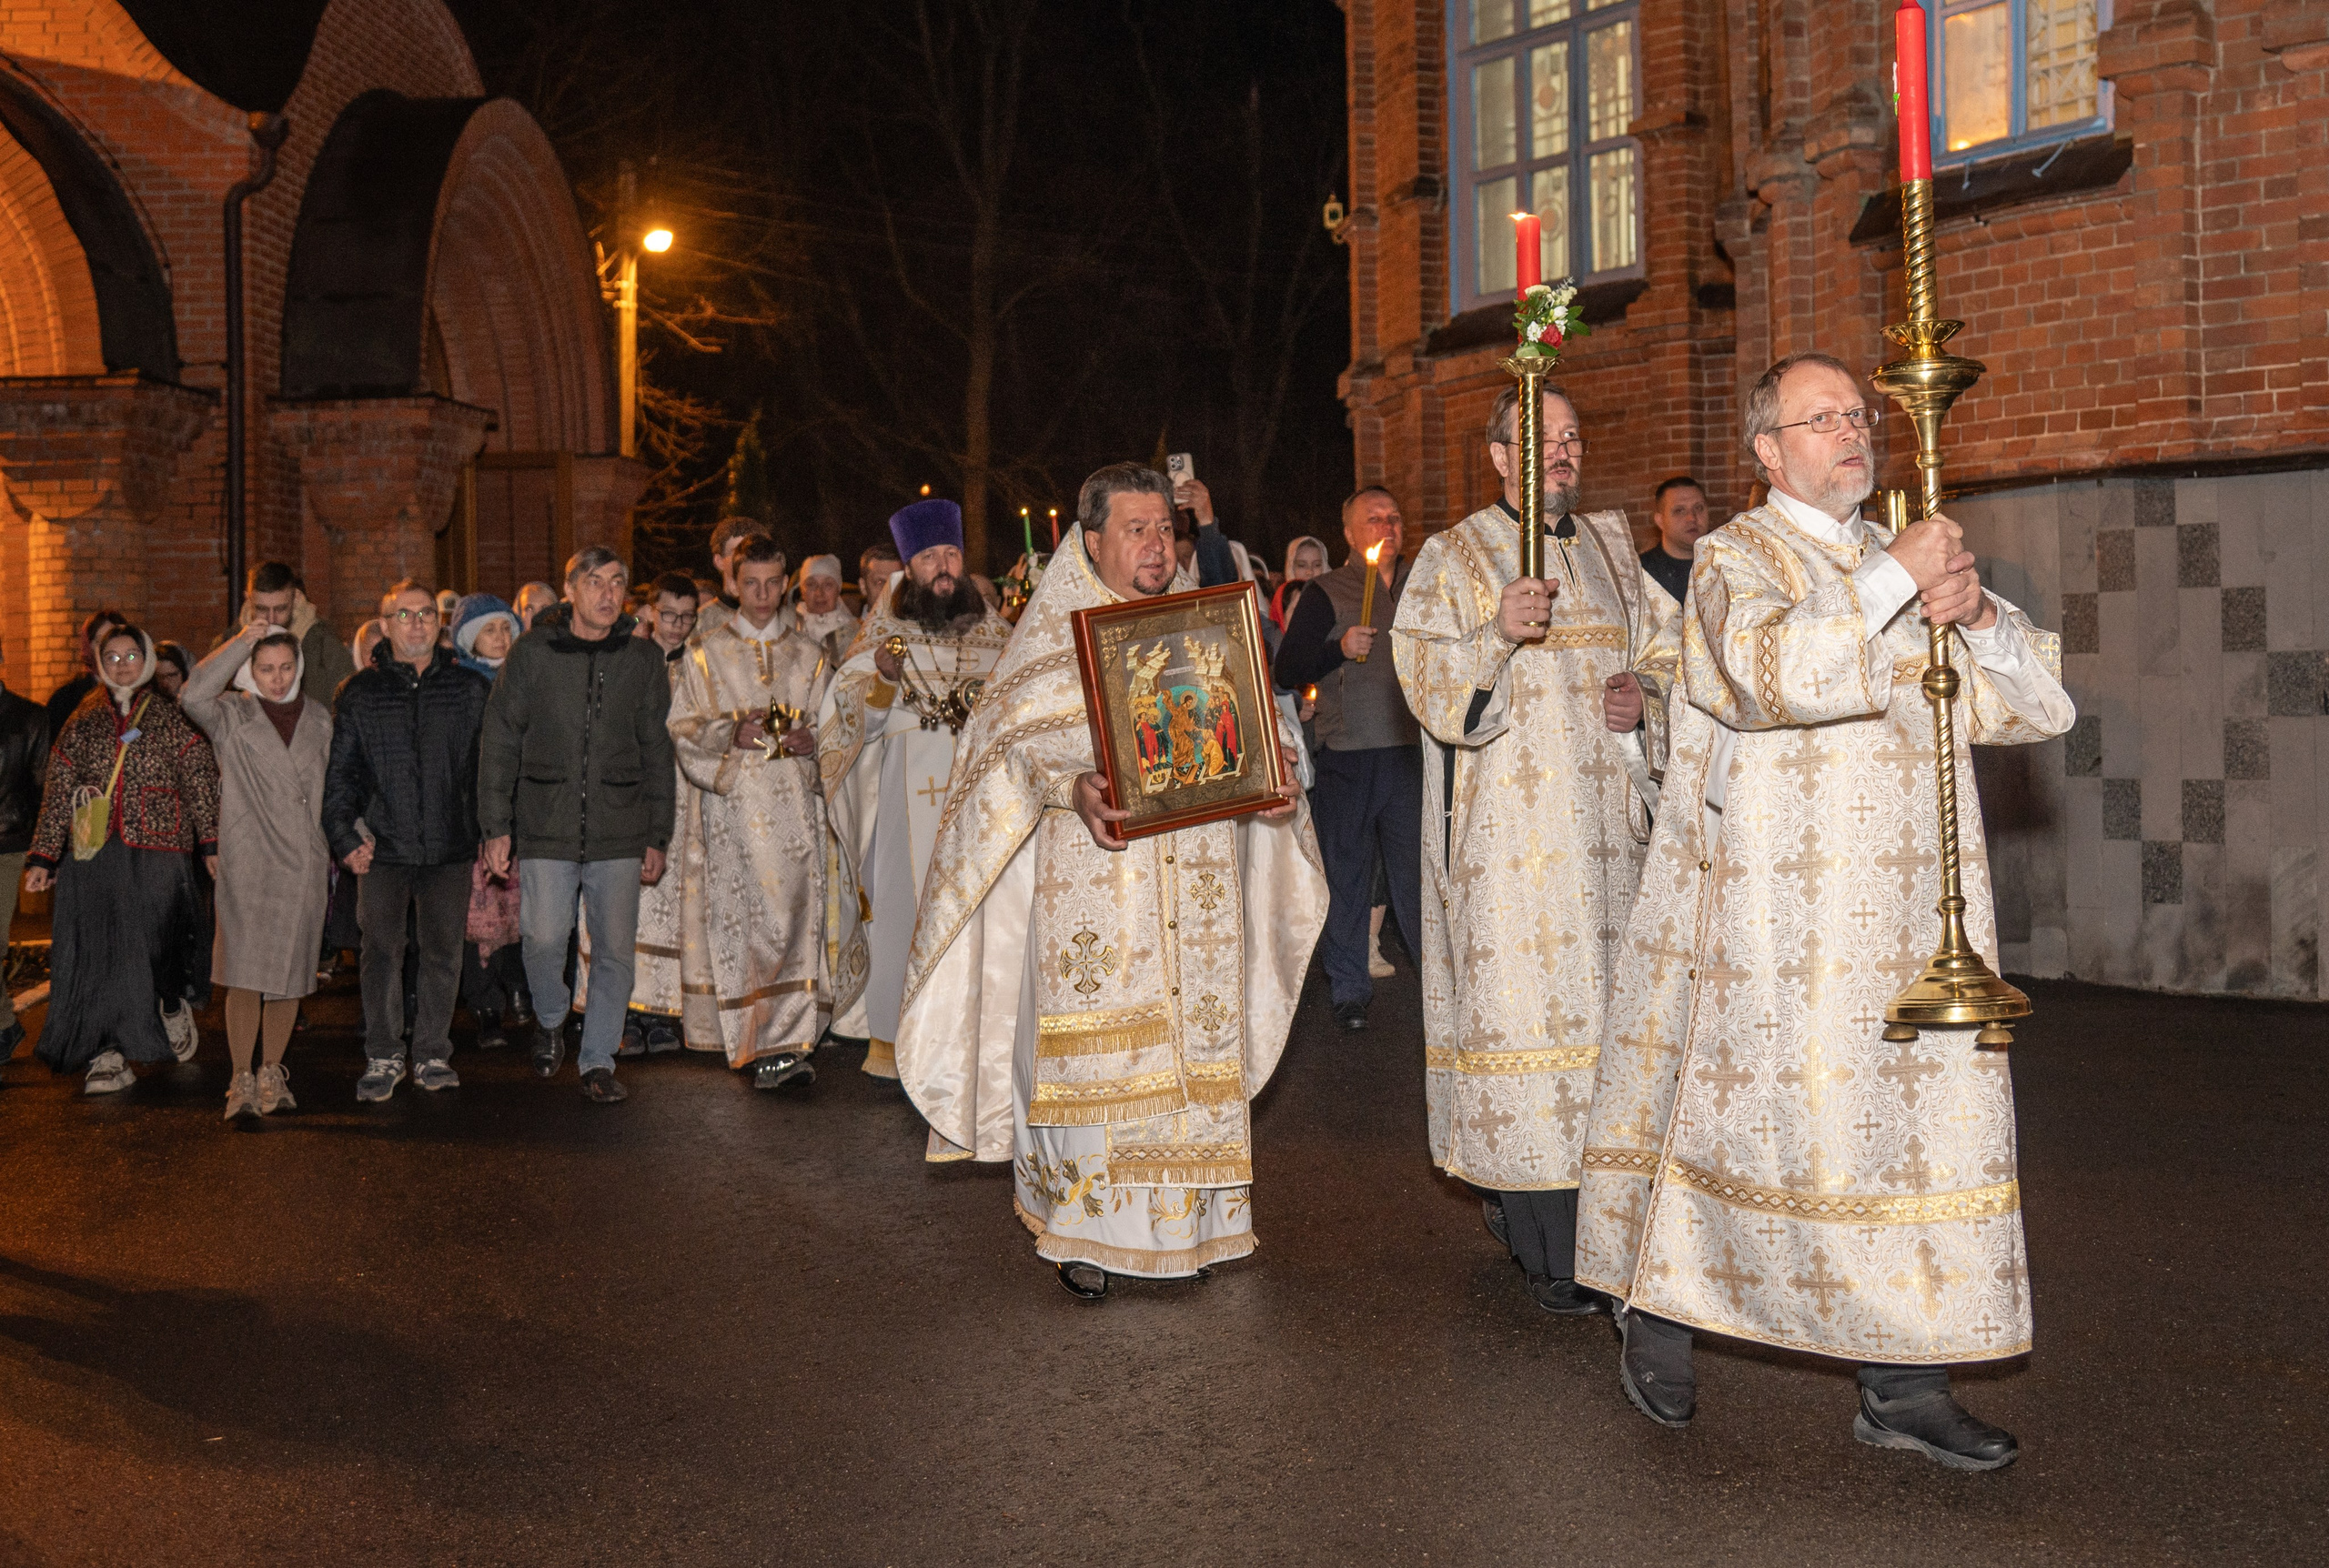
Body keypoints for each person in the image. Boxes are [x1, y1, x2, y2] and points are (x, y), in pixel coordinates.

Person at [1576, 351, 2074, 1469]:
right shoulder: (1730, 558)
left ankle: (1905, 1385)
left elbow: (2037, 704)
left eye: (1859, 416)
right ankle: (1661, 1308)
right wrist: (1897, 574)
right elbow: (1764, 676)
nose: (1852, 432)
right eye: (1820, 419)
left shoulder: (1897, 557)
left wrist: (1979, 607)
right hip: (1780, 923)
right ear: (1767, 450)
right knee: (1759, 1128)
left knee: (1915, 1139)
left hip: (1914, 916)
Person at [895, 463, 1327, 1298]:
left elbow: (1258, 737)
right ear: (1091, 542)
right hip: (1097, 888)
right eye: (1137, 530)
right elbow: (1007, 752)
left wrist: (1275, 788)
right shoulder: (1049, 641)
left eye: (1165, 529)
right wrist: (1070, 784)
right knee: (1102, 1057)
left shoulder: (1211, 630)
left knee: (1192, 1045)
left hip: (1199, 883)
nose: (1157, 545)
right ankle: (1084, 1233)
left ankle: (1196, 1229)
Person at [1389, 383, 1680, 1316]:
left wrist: (1646, 699)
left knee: (1610, 1048)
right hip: (1511, 856)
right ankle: (1546, 1245)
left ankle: (1609, 1233)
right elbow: (1428, 682)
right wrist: (1492, 638)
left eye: (1572, 436)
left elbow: (1668, 655)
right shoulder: (1454, 553)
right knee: (1529, 1040)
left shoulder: (1607, 545)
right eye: (1541, 438)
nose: (1562, 452)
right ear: (1498, 455)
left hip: (1611, 851)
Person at [818, 499, 1012, 1078]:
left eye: (951, 553)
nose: (944, 566)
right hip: (904, 798)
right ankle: (903, 1046)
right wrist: (880, 678)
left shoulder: (994, 632)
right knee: (905, 915)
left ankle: (975, 1041)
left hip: (978, 804)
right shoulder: (883, 635)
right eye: (929, 557)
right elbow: (839, 720)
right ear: (910, 567)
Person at [479, 548, 675, 1104]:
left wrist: (657, 832)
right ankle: (549, 1015)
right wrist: (496, 824)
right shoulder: (533, 654)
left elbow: (656, 749)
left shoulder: (641, 661)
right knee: (543, 936)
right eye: (595, 583)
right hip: (546, 821)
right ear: (570, 590)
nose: (608, 595)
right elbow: (500, 737)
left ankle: (597, 1060)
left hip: (619, 823)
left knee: (614, 951)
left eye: (618, 583)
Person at [664, 534, 836, 1089]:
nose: (762, 595)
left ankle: (790, 1040)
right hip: (735, 813)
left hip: (796, 815)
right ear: (734, 584)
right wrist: (728, 732)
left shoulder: (811, 656)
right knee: (745, 924)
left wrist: (818, 745)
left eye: (772, 583)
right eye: (751, 583)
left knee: (794, 919)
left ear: (784, 584)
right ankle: (754, 1041)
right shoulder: (704, 653)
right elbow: (683, 728)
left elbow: (835, 732)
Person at [25, 623, 217, 1094]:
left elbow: (200, 778)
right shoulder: (83, 721)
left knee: (160, 943)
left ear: (147, 660)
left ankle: (169, 1001)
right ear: (98, 663)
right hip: (94, 853)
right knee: (100, 953)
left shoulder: (173, 718)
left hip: (161, 848)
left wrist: (211, 842)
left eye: (131, 656)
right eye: (111, 657)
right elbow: (58, 789)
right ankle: (107, 1054)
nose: (122, 665)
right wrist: (44, 856)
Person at [324, 580, 493, 1103]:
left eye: (425, 614)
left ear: (438, 624)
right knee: (380, 952)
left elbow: (488, 772)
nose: (416, 623)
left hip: (450, 845)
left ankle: (432, 1052)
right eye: (404, 614)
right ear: (384, 626)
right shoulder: (359, 692)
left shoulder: (469, 690)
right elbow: (341, 776)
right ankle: (384, 1053)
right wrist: (345, 835)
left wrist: (494, 834)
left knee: (443, 953)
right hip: (384, 847)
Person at [1270, 487, 1422, 1034]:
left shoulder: (1423, 585)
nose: (1387, 525)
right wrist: (1338, 648)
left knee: (1417, 877)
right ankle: (1350, 989)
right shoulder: (1326, 592)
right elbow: (1286, 670)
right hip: (1347, 754)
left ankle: (1438, 988)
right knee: (1351, 874)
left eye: (1394, 516)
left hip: (1411, 752)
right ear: (1350, 533)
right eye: (1373, 518)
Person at [182, 623, 331, 1119]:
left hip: (302, 862)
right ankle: (239, 1077)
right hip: (249, 859)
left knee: (289, 973)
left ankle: (272, 1071)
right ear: (250, 669)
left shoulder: (320, 719)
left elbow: (335, 790)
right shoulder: (231, 714)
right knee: (244, 973)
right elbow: (193, 692)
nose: (275, 678)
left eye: (286, 666)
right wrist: (244, 639)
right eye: (265, 668)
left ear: (299, 667)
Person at [622, 570, 701, 1055]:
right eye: (667, 615)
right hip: (636, 794)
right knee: (630, 905)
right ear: (651, 612)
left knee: (676, 907)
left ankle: (667, 1013)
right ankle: (627, 1010)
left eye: (686, 617)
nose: (675, 625)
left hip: (687, 798)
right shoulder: (630, 660)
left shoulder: (702, 664)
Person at [0, 638, 49, 1061]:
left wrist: (44, 853)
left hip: (7, 842)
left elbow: (42, 788)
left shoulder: (27, 718)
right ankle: (4, 1027)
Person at [230, 561, 357, 706]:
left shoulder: (325, 648)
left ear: (295, 597)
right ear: (248, 598)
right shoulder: (228, 644)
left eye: (281, 609)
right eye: (262, 609)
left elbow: (350, 706)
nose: (271, 619)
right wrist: (238, 647)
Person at [45, 609, 123, 745]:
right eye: (99, 641)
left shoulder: (143, 695)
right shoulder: (66, 699)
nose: (107, 648)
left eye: (112, 639)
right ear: (89, 646)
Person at [694, 516, 771, 641]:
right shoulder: (699, 624)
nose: (745, 559)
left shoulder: (784, 619)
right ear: (719, 561)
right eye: (736, 552)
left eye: (753, 552)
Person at [1638, 476, 1712, 606]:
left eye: (1699, 508)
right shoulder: (1641, 574)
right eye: (1679, 511)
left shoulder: (1724, 565)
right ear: (1660, 521)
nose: (1692, 518)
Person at [792, 554, 859, 650]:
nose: (819, 593)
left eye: (828, 585)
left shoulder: (855, 633)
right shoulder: (787, 628)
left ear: (838, 590)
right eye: (811, 585)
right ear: (802, 591)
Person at [451, 593, 519, 680]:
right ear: (470, 638)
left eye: (506, 628)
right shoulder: (457, 679)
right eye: (490, 630)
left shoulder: (524, 672)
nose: (500, 637)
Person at [1269, 536, 1329, 631]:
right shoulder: (1282, 599)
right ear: (1291, 567)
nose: (1309, 572)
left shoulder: (1334, 598)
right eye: (1302, 565)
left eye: (1317, 565)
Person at [858, 543, 902, 617]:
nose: (890, 590)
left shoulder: (920, 627)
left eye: (897, 582)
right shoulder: (852, 628)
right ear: (863, 586)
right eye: (880, 582)